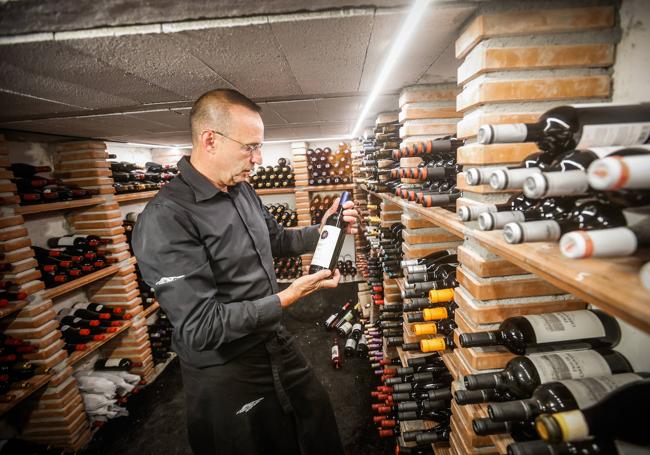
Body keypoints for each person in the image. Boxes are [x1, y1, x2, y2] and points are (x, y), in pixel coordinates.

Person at [132, 89, 358, 455]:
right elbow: (200, 327)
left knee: (316, 429)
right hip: (225, 369)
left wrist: (324, 229)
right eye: (250, 147)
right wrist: (288, 297)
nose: (259, 158)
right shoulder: (166, 219)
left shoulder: (242, 191)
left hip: (273, 342)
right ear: (210, 140)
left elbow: (278, 239)